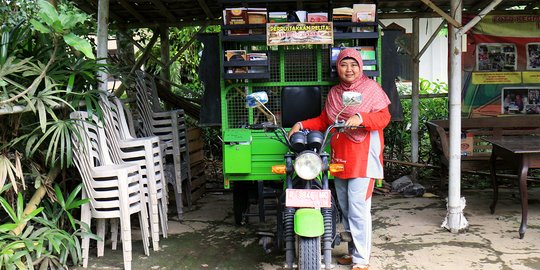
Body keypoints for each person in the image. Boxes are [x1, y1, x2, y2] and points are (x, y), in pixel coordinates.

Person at [288, 48, 391, 270]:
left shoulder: (371, 89)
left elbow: (384, 117)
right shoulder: (335, 93)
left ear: (361, 66)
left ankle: (362, 260)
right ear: (338, 67)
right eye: (344, 64)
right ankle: (354, 254)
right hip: (340, 156)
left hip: (363, 156)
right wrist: (302, 124)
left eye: (353, 64)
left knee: (358, 208)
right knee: (345, 207)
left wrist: (360, 117)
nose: (349, 69)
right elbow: (325, 120)